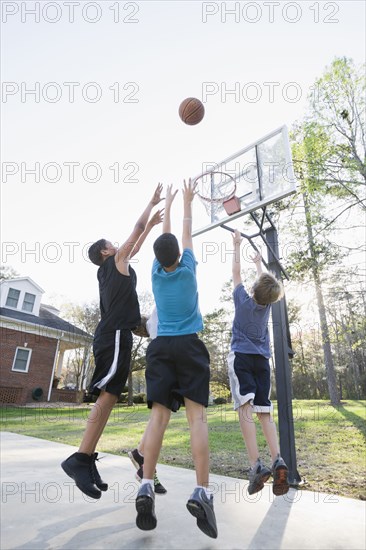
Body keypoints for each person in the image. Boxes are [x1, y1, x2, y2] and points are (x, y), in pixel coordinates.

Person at [61, 184, 164, 500]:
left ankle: (87, 457)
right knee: (106, 397)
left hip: (115, 336)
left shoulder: (115, 270)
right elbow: (135, 231)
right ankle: (79, 458)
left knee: (109, 396)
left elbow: (136, 243)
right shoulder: (113, 264)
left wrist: (150, 228)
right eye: (113, 244)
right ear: (106, 252)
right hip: (113, 338)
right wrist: (150, 204)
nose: (119, 246)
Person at [134, 181, 218, 539]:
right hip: (188, 345)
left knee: (158, 418)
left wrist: (166, 203)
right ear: (178, 257)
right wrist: (186, 201)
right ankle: (202, 491)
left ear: (157, 259)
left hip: (160, 347)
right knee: (196, 417)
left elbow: (168, 235)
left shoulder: (155, 275)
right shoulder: (188, 269)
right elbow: (185, 232)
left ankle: (146, 485)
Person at [227, 229, 289, 497]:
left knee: (245, 409)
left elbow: (236, 273)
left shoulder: (242, 301)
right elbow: (265, 287)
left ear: (252, 290)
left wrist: (237, 245)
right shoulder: (267, 306)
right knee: (265, 412)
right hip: (263, 363)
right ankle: (278, 459)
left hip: (241, 358)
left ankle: (256, 465)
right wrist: (259, 264)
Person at [128, 305, 167, 495]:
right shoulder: (154, 319)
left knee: (158, 416)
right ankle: (144, 465)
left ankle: (140, 454)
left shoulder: (154, 326)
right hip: (163, 358)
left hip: (161, 357)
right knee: (160, 417)